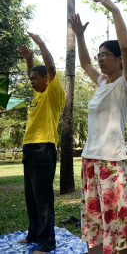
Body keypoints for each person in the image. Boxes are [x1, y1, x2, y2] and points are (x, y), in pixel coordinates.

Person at [70, 0, 127, 254]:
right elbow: (85, 63)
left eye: (104, 55)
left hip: (111, 162)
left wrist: (115, 11)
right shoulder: (102, 83)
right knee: (95, 223)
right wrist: (79, 36)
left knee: (117, 224)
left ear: (120, 59)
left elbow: (125, 44)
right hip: (90, 161)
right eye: (99, 54)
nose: (99, 59)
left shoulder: (126, 84)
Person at [16, 32, 65, 254]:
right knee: (31, 195)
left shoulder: (53, 93)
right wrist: (29, 60)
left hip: (44, 148)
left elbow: (51, 66)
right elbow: (34, 72)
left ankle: (47, 243)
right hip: (30, 149)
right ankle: (34, 234)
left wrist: (41, 44)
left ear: (47, 79)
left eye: (35, 78)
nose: (32, 81)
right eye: (31, 78)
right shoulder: (37, 96)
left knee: (43, 199)